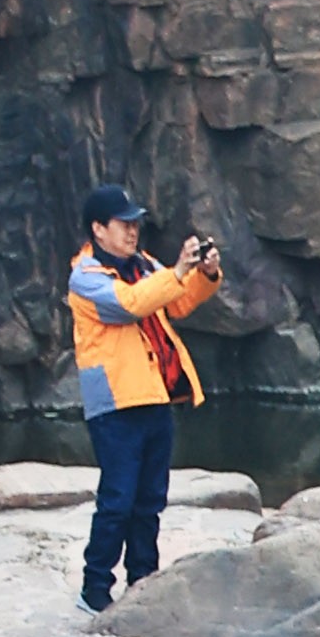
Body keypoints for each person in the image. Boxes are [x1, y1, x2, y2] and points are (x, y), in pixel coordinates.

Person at [64, 186, 222, 614]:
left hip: (155, 397)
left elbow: (180, 302)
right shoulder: (86, 277)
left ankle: (143, 582)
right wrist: (175, 272)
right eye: (123, 224)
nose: (133, 231)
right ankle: (94, 588)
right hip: (116, 404)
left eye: (136, 223)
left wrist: (202, 274)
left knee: (150, 499)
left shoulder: (145, 265)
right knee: (117, 500)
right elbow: (130, 305)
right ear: (98, 229)